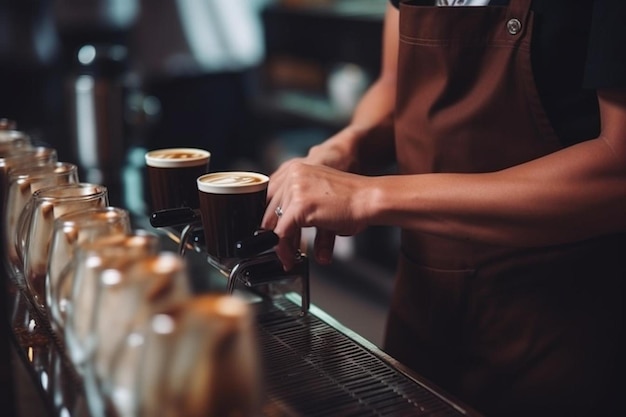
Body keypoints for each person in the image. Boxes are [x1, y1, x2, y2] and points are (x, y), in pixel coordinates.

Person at [261, 0, 626, 416]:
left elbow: (619, 169)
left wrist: (369, 196)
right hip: (424, 302)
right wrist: (346, 148)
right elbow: (396, 85)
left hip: (559, 325)